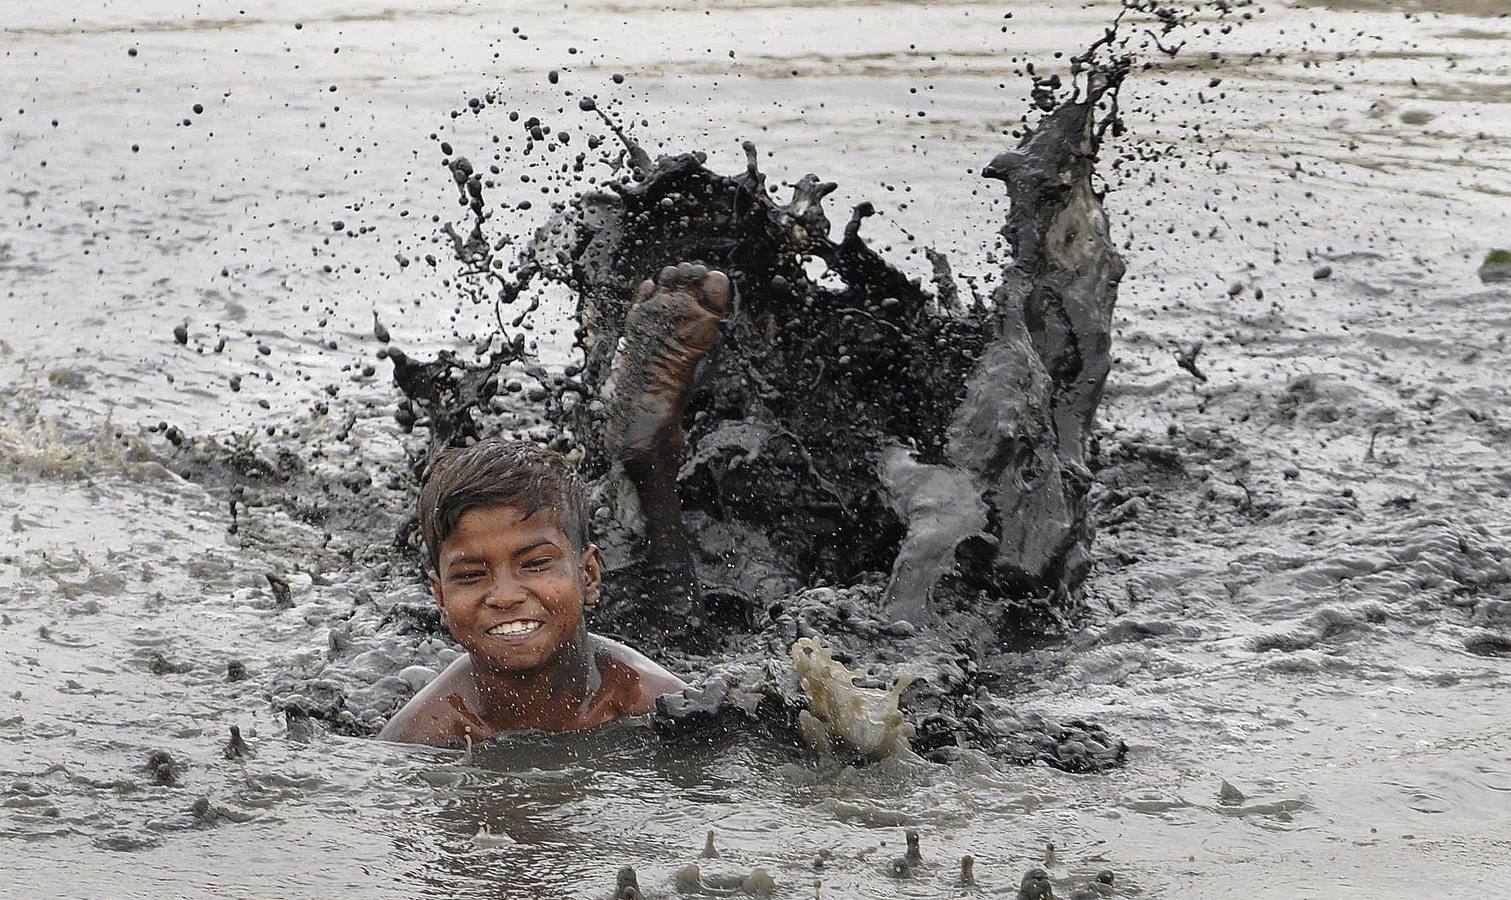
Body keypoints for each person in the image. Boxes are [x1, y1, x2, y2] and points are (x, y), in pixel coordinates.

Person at [379, 263, 730, 746]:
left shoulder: (651, 699)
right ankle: (644, 461)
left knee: (681, 619)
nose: (504, 595)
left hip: (629, 636)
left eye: (534, 564)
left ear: (588, 576)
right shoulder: (425, 730)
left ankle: (649, 457)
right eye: (470, 575)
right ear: (439, 599)